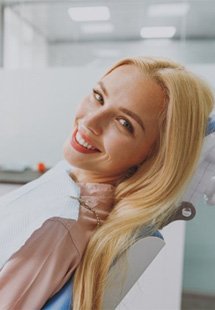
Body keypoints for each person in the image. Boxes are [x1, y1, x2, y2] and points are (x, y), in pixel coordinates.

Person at [0, 56, 214, 310]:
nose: (89, 121)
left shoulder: (58, 227)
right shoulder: (72, 177)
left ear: (154, 156)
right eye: (99, 97)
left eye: (124, 124)